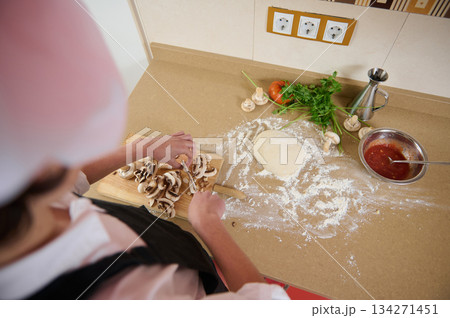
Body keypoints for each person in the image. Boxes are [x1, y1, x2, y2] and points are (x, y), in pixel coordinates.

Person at [0, 1, 289, 300]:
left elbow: (70, 180)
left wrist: (142, 148)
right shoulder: (139, 294)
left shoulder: (22, 200)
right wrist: (209, 225)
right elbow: (267, 303)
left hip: (162, 242)